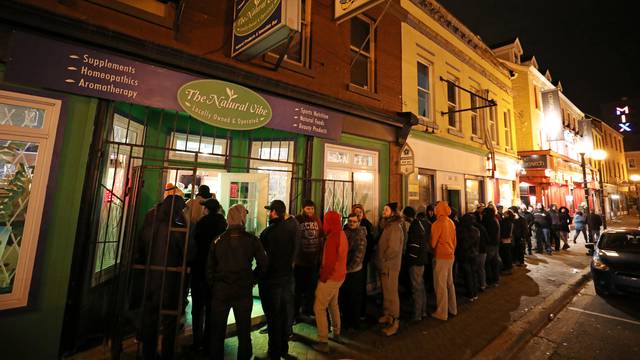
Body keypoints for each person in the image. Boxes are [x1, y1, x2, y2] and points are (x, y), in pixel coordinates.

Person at [207, 204, 268, 360]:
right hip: (242, 290)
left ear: (228, 218)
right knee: (243, 331)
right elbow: (264, 264)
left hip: (221, 290)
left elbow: (209, 268)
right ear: (242, 218)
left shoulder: (217, 240)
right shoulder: (252, 240)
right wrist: (253, 279)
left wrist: (213, 285)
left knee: (217, 332)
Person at [136, 195, 187, 360]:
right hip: (170, 279)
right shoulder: (178, 229)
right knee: (170, 320)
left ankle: (148, 354)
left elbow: (140, 250)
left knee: (151, 317)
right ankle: (167, 353)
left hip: (150, 278)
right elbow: (187, 253)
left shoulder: (149, 227)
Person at [258, 200, 298, 360]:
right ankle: (283, 349)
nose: (269, 214)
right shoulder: (290, 229)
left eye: (270, 211)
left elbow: (263, 259)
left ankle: (273, 352)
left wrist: (257, 275)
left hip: (271, 281)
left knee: (273, 318)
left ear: (275, 212)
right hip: (286, 278)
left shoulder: (268, 233)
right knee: (282, 315)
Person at [191, 198, 227, 353]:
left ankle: (196, 341)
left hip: (200, 269)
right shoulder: (224, 225)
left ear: (206, 209)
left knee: (197, 308)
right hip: (217, 270)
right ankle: (210, 342)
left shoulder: (201, 224)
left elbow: (194, 245)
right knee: (212, 308)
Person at [313, 211, 348, 353]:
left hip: (331, 277)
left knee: (319, 307)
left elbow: (329, 263)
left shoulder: (333, 238)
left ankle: (323, 341)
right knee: (333, 303)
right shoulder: (342, 234)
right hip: (340, 276)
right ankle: (336, 332)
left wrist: (322, 278)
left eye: (325, 220)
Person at [375, 202, 404, 336]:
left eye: (386, 210)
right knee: (386, 292)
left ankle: (395, 321)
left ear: (392, 212)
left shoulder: (395, 227)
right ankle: (388, 315)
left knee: (392, 294)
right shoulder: (387, 226)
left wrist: (384, 258)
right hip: (384, 265)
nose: (383, 212)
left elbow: (393, 249)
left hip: (390, 266)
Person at [293, 200, 323, 322]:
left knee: (311, 288)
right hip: (300, 261)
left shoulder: (317, 220)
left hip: (313, 261)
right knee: (298, 289)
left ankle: (308, 310)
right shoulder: (298, 219)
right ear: (303, 209)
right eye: (307, 208)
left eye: (311, 208)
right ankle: (295, 313)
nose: (310, 211)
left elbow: (321, 236)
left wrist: (320, 255)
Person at [339, 213, 367, 331]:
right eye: (350, 221)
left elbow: (358, 256)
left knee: (354, 298)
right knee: (345, 298)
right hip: (345, 270)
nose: (351, 223)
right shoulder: (346, 232)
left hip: (354, 272)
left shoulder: (360, 236)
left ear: (358, 222)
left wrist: (348, 268)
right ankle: (346, 321)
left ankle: (354, 323)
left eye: (354, 222)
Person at [431, 201, 457, 321]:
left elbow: (433, 243)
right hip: (451, 255)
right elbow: (454, 241)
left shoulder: (437, 223)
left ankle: (442, 312)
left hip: (441, 256)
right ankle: (453, 308)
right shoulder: (451, 222)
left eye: (436, 207)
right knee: (449, 283)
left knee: (440, 285)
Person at [403, 206, 428, 321]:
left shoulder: (414, 226)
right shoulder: (421, 224)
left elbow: (414, 245)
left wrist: (410, 260)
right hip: (422, 259)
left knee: (416, 287)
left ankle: (417, 314)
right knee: (421, 285)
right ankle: (423, 311)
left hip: (416, 261)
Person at [352, 203, 374, 320]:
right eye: (356, 212)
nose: (358, 214)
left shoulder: (367, 225)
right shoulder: (349, 225)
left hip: (363, 261)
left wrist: (366, 257)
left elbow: (370, 243)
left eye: (360, 212)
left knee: (361, 285)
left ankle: (361, 311)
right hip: (351, 262)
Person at [458, 214, 479, 301]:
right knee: (473, 273)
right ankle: (475, 293)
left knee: (468, 275)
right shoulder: (476, 230)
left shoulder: (462, 231)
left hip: (465, 255)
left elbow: (462, 245)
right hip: (474, 254)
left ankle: (470, 294)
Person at [482, 206, 501, 286]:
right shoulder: (495, 220)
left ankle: (490, 280)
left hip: (490, 245)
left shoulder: (488, 221)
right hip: (495, 244)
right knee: (494, 262)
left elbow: (487, 234)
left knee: (488, 263)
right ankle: (495, 279)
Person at [499, 209, 515, 274]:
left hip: (505, 240)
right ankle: (508, 267)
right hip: (508, 240)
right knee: (507, 254)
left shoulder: (506, 221)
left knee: (506, 255)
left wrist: (502, 238)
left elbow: (505, 231)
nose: (503, 214)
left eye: (505, 213)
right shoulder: (510, 221)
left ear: (508, 214)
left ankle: (508, 268)